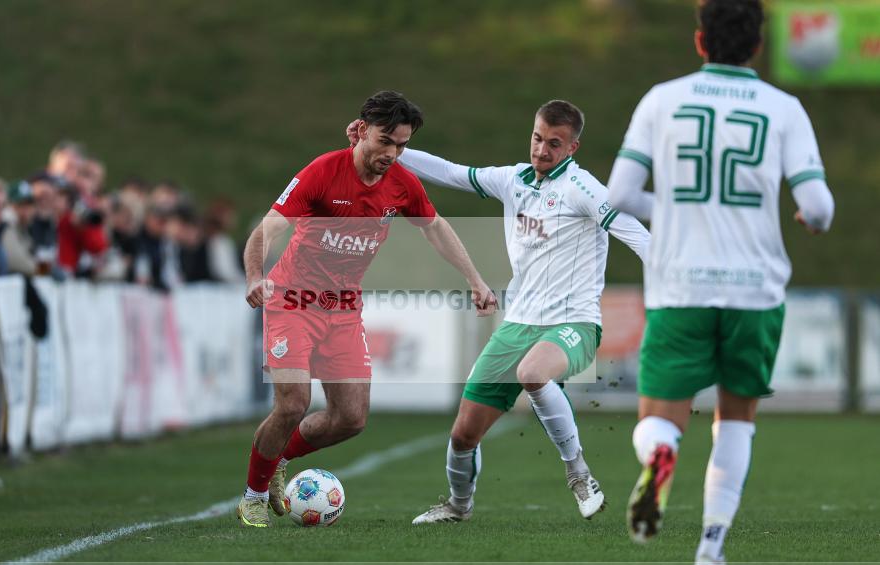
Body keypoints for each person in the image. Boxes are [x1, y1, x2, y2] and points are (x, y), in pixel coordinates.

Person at [606, 0, 835, 565]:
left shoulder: (662, 99)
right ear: (757, 46)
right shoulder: (784, 108)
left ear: (700, 42)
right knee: (736, 419)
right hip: (755, 288)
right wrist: (811, 221)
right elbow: (818, 208)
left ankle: (661, 456)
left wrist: (683, 210)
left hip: (680, 281)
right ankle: (710, 552)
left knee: (660, 417)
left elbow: (620, 195)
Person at [347, 100, 650, 524]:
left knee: (533, 373)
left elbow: (635, 233)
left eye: (554, 144)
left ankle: (579, 473)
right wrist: (388, 150)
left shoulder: (584, 190)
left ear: (573, 148)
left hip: (574, 323)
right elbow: (451, 171)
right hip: (517, 325)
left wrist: (674, 282)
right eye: (537, 138)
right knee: (463, 435)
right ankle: (458, 506)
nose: (542, 150)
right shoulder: (514, 180)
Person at [237, 90, 497, 528]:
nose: (392, 154)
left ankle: (280, 457)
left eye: (402, 145)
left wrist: (475, 279)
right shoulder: (323, 172)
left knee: (351, 419)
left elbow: (436, 229)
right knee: (293, 403)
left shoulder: (402, 184)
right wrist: (253, 276)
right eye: (385, 141)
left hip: (343, 310)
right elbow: (271, 226)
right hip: (292, 303)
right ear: (360, 132)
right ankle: (253, 495)